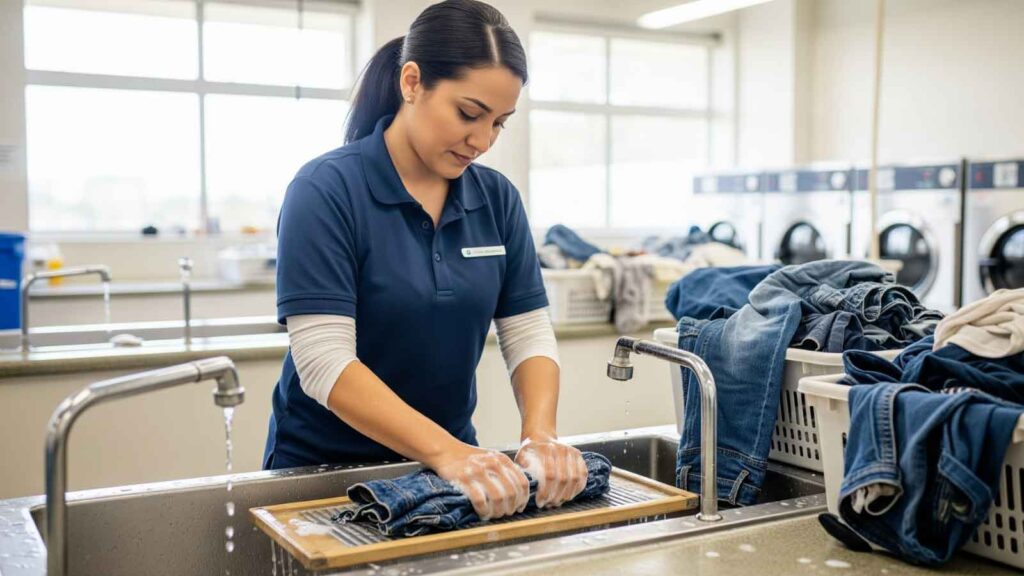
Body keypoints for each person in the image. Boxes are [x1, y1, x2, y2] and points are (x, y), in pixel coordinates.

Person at [263, 0, 588, 522]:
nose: (482, 142)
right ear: (412, 82)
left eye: (500, 124)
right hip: (323, 475)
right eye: (468, 114)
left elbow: (526, 331)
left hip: (448, 476)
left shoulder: (496, 199)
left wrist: (539, 435)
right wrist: (449, 454)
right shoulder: (325, 190)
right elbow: (324, 363)